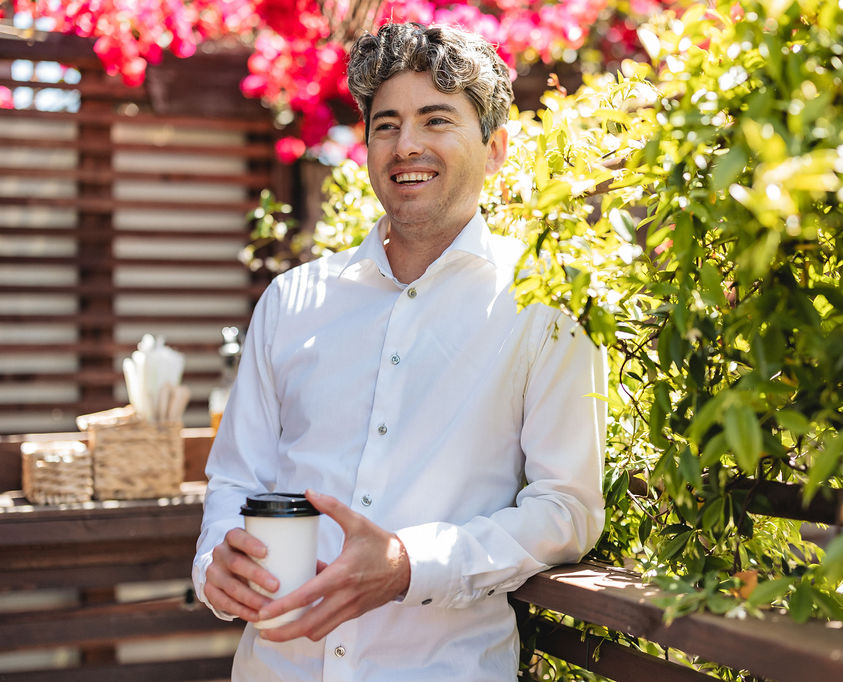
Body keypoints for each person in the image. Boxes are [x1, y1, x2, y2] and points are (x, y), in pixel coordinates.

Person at [192, 21, 607, 681]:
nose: (405, 145)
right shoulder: (291, 301)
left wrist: (411, 565)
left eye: (436, 119)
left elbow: (567, 508)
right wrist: (218, 559)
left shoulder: (545, 307)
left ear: (495, 149)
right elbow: (237, 481)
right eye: (386, 125)